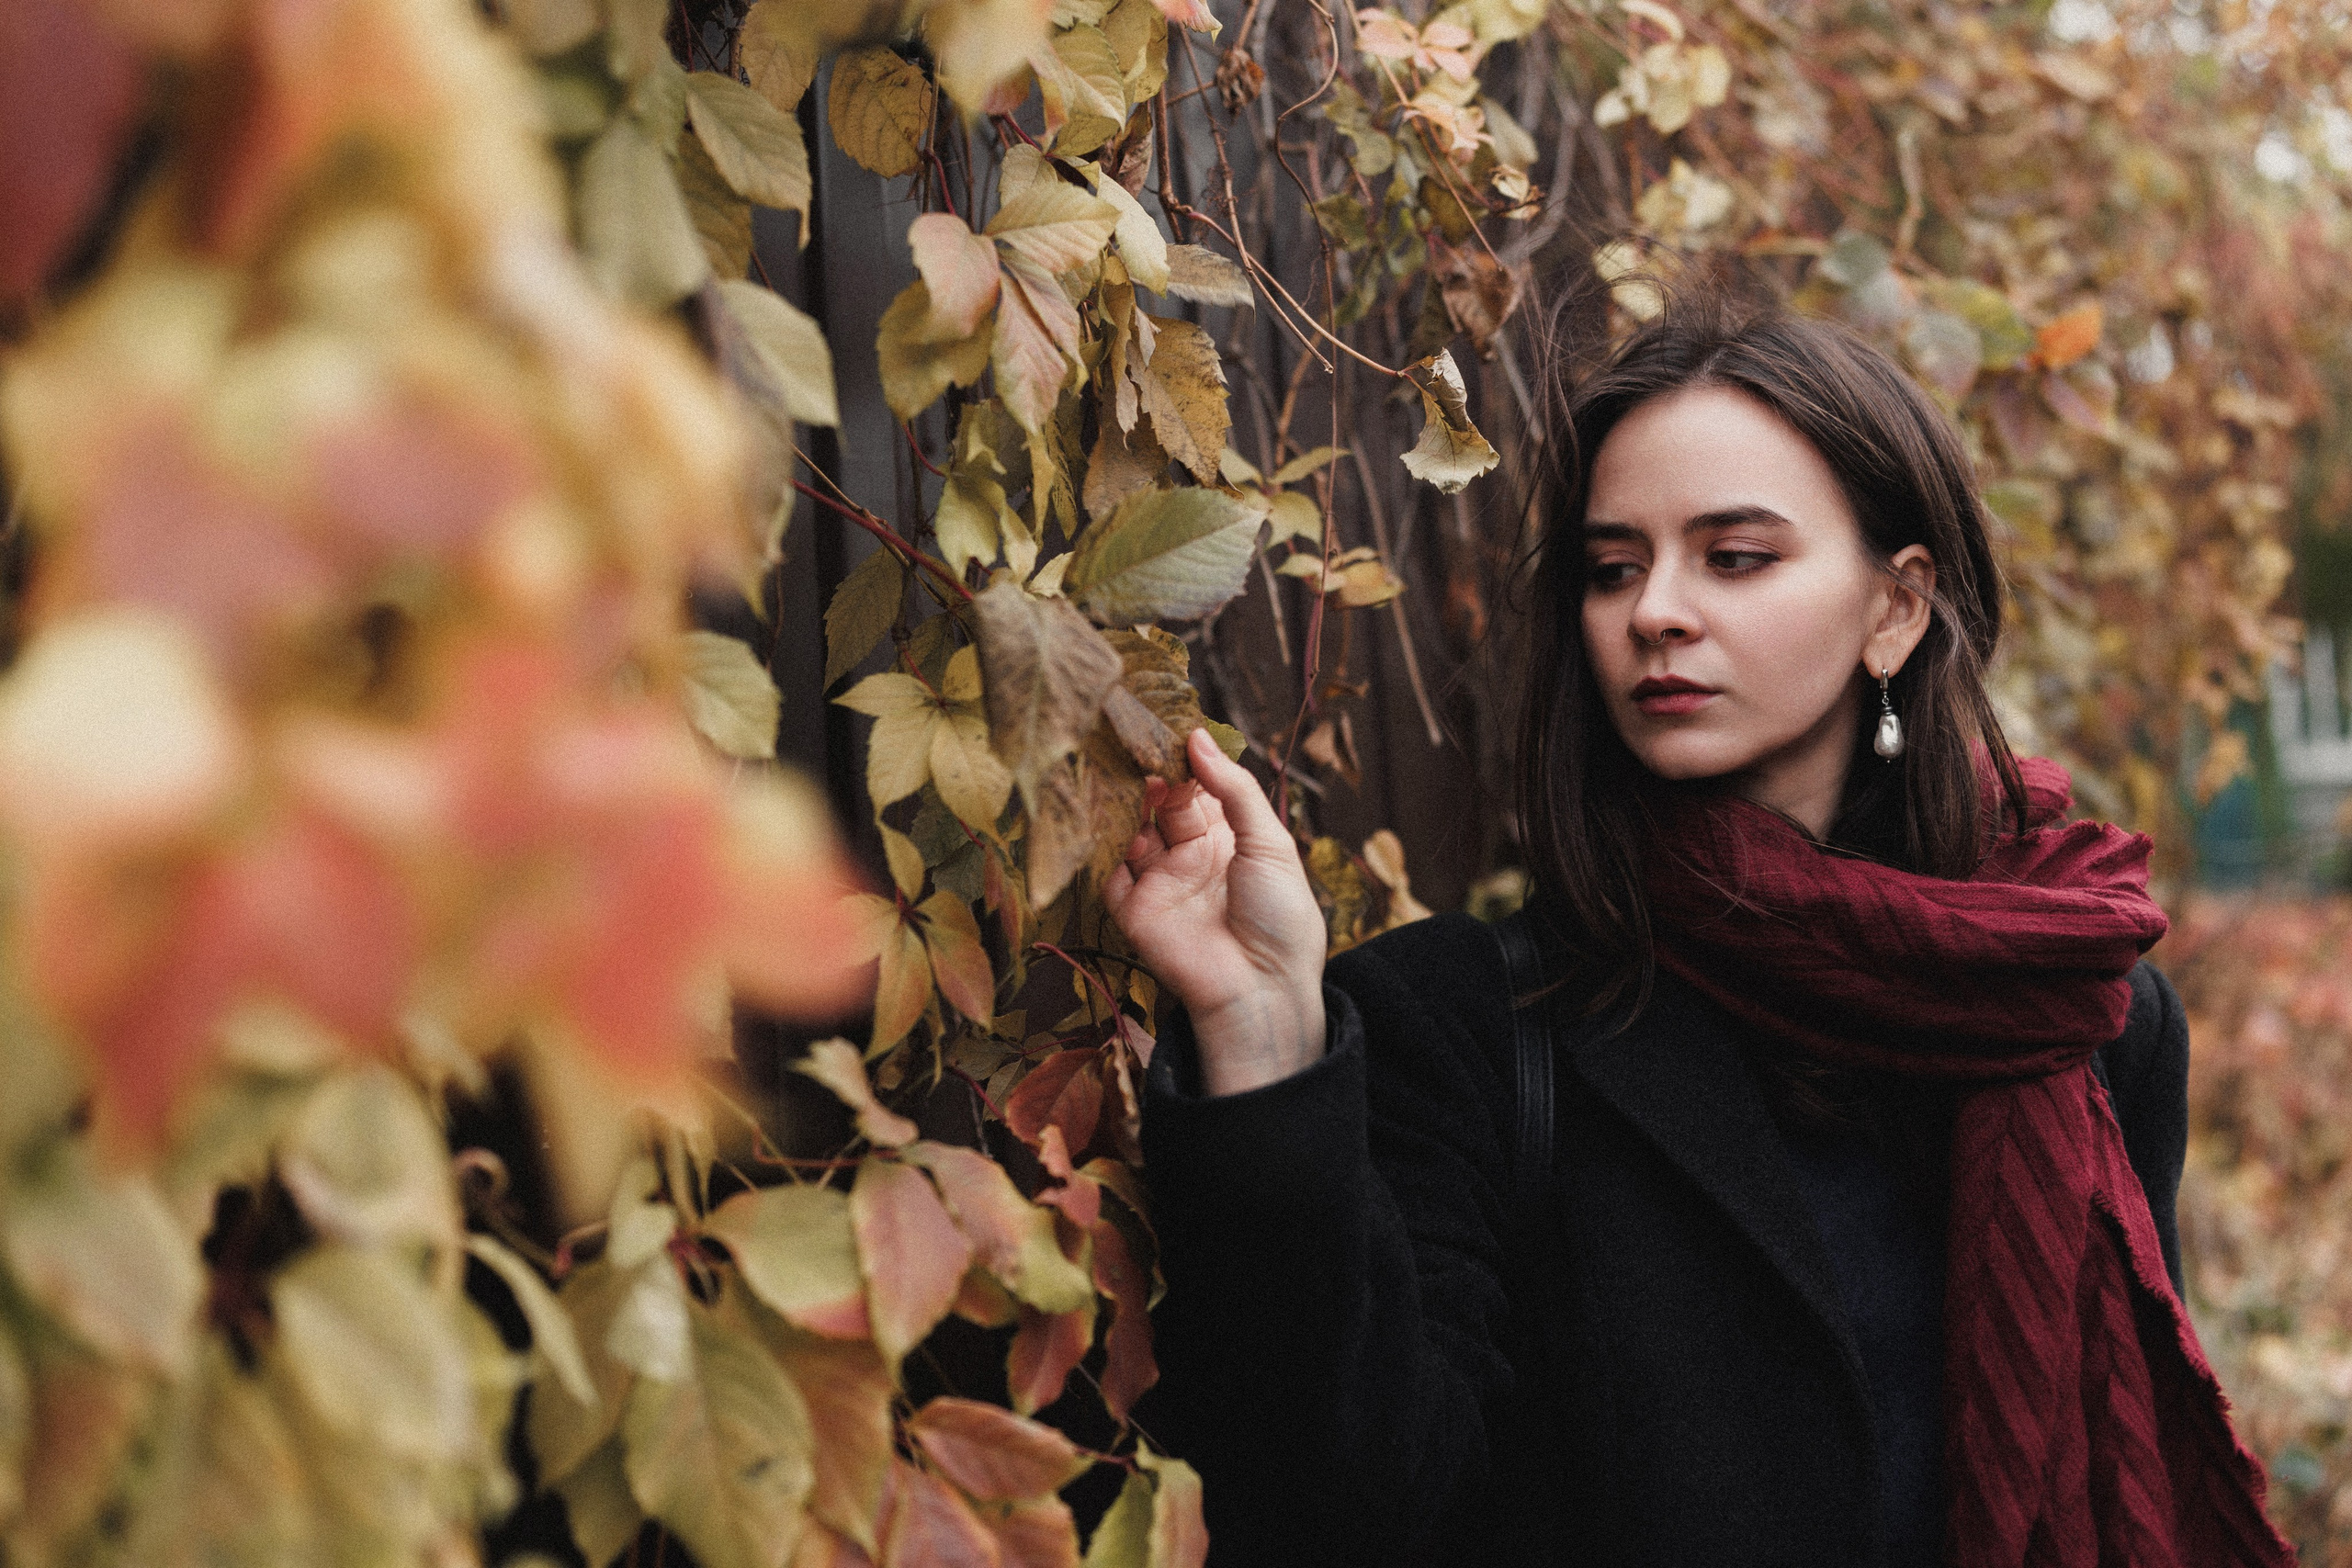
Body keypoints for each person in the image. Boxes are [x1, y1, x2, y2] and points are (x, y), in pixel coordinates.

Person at [1103, 292, 2294, 1567]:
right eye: (1615, 568)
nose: (1653, 612)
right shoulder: (1469, 1028)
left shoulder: (2079, 1013)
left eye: (1735, 557)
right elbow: (1341, 1508)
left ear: (1895, 610)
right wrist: (1262, 1037)